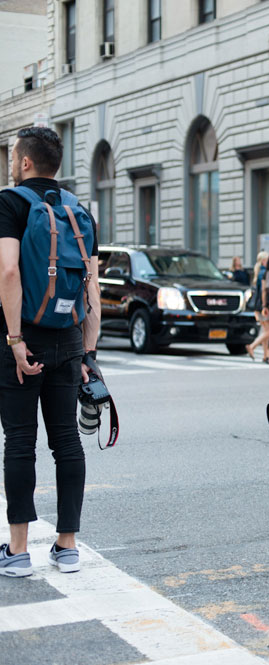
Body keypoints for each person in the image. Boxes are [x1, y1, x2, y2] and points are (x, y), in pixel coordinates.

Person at [0, 127, 101, 577]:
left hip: (25, 340)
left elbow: (7, 272)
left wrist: (16, 340)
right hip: (68, 341)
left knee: (21, 440)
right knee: (66, 440)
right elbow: (91, 288)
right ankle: (68, 546)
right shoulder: (79, 210)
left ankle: (18, 552)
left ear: (24, 162)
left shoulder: (11, 202)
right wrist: (87, 353)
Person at [245, 250, 269, 360]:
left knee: (266, 331)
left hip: (257, 306)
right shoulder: (264, 273)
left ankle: (266, 355)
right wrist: (266, 305)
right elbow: (264, 291)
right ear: (264, 261)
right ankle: (252, 346)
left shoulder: (259, 272)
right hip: (262, 305)